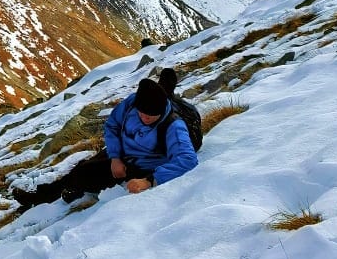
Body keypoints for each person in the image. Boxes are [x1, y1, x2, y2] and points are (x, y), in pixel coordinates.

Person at [12, 78, 198, 207]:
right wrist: (116, 157)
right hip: (122, 155)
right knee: (81, 168)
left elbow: (188, 159)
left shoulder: (174, 126)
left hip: (141, 167)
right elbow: (112, 126)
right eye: (142, 113)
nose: (145, 118)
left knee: (85, 173)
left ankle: (72, 190)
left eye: (151, 116)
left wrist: (149, 180)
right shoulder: (133, 102)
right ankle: (42, 196)